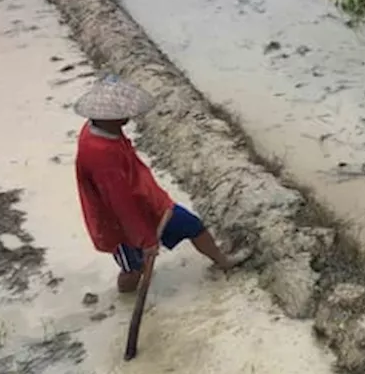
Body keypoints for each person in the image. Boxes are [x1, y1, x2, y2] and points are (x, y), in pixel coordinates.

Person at [73, 74, 249, 293]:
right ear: (107, 116)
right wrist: (146, 240)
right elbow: (121, 205)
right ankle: (126, 300)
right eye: (121, 113)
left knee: (192, 225)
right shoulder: (100, 154)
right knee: (133, 269)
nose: (128, 115)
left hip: (146, 199)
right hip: (117, 223)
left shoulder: (102, 129)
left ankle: (222, 261)